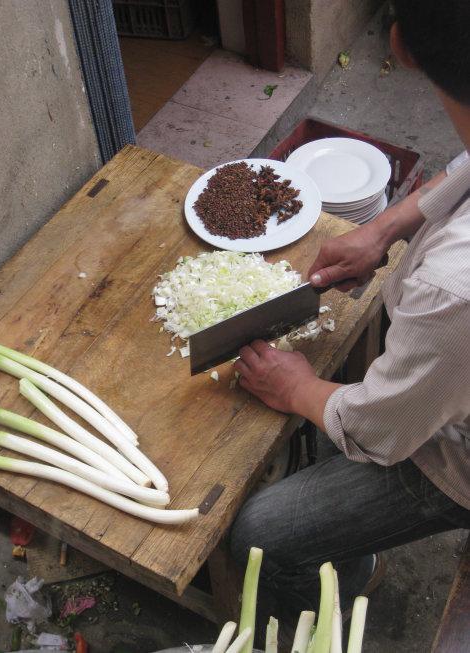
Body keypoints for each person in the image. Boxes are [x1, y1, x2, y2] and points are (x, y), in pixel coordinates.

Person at [230, 0, 470, 628]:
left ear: (400, 46)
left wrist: (298, 387)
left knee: (262, 533)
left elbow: (381, 432)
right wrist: (386, 227)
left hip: (458, 457)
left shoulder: (454, 290)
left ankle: (339, 584)